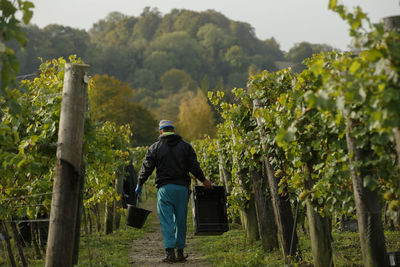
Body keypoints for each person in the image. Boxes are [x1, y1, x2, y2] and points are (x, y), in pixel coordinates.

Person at [135, 120, 212, 263]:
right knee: (181, 220)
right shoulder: (186, 146)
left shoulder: (155, 148)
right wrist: (204, 180)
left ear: (160, 131)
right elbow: (194, 166)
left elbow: (147, 168)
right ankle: (180, 252)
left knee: (167, 221)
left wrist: (140, 183)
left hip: (165, 189)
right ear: (174, 130)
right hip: (182, 189)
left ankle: (170, 253)